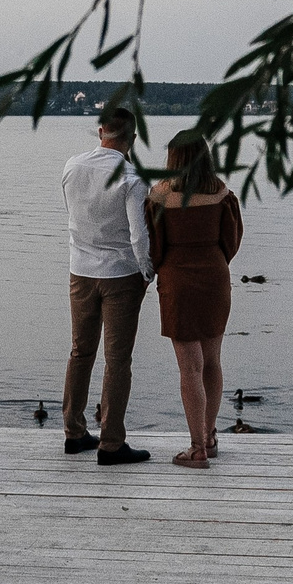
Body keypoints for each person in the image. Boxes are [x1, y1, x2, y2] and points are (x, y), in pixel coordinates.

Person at [59, 105, 153, 465]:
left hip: (79, 271)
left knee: (80, 352)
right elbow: (137, 234)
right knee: (117, 361)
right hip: (120, 276)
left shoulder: (72, 166)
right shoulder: (131, 178)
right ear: (132, 139)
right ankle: (111, 443)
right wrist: (146, 271)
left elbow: (72, 215)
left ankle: (74, 431)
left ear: (100, 132)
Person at [147, 129, 244, 469]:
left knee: (190, 367)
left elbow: (154, 247)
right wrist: (214, 262)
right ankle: (211, 435)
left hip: (177, 281)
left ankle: (196, 447)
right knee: (213, 360)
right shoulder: (221, 193)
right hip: (215, 277)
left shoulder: (159, 197)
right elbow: (231, 241)